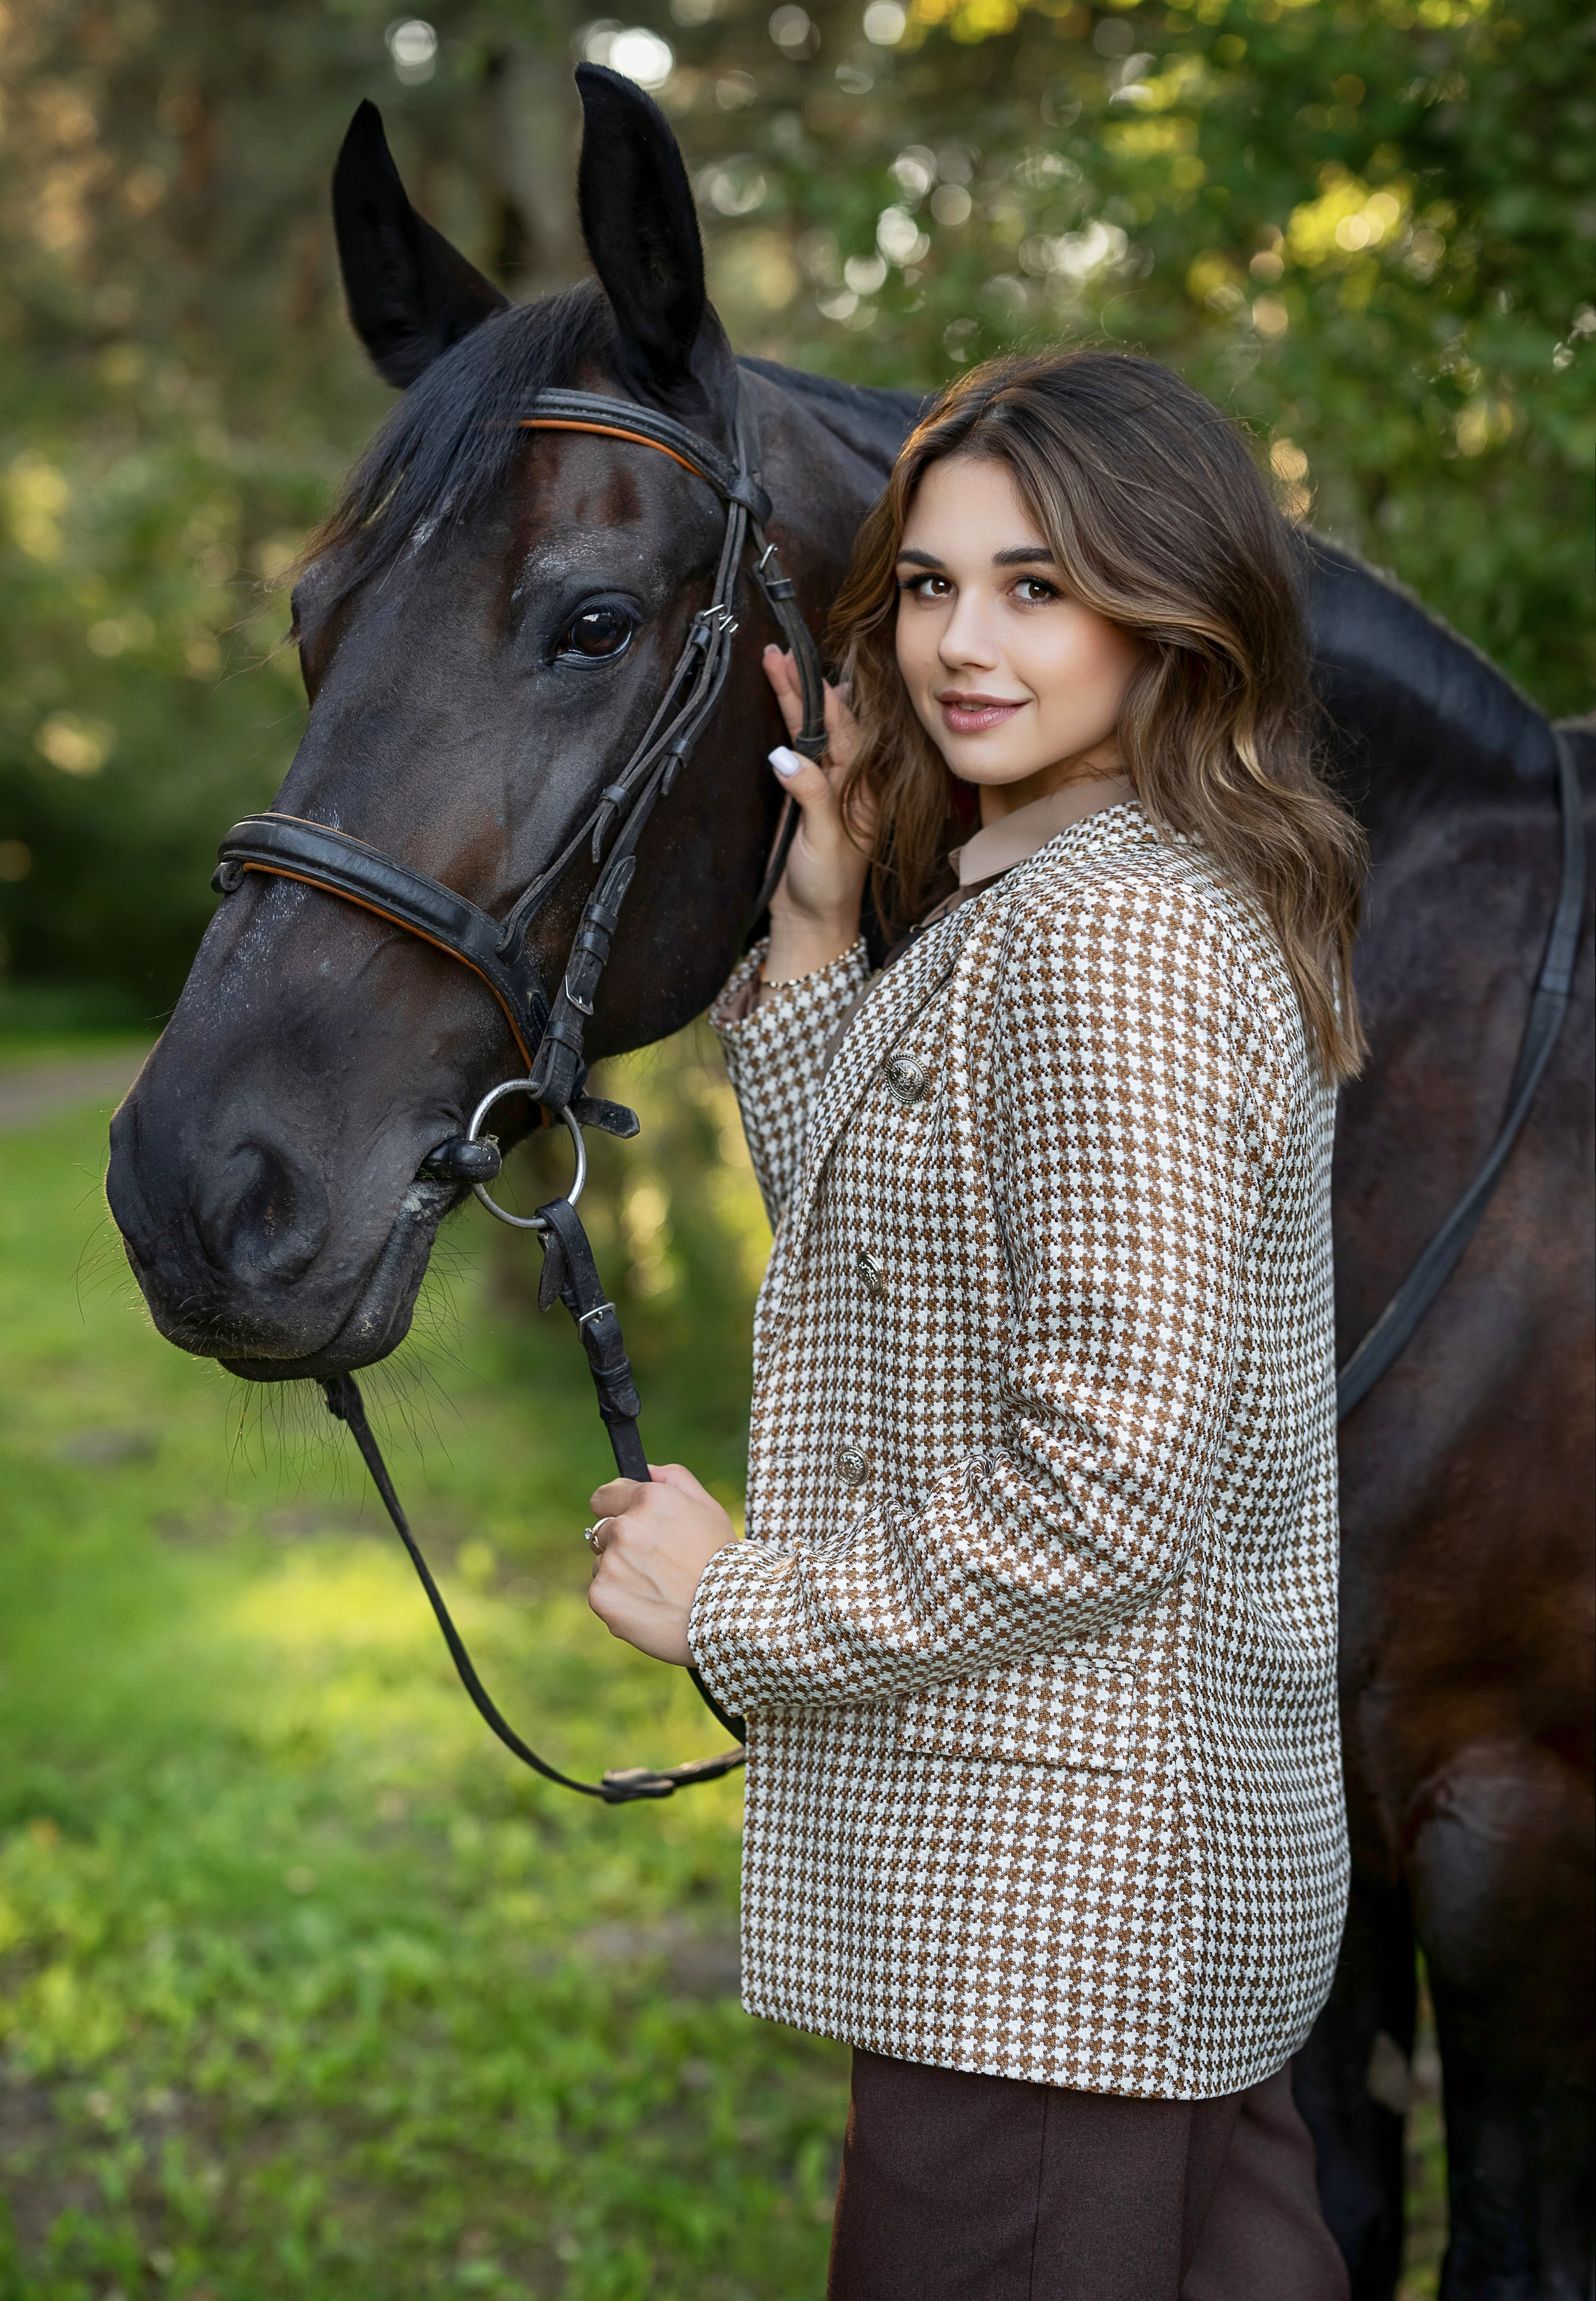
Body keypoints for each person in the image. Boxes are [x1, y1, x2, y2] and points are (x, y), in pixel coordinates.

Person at [583, 349, 1363, 2299]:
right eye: (929, 585)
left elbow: (1106, 1477)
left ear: (1169, 602)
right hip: (1136, 1904)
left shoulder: (1118, 935)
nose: (960, 641)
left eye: (1038, 584)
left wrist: (738, 1607)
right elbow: (899, 1237)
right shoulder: (1083, 894)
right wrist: (824, 929)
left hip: (1058, 1925)